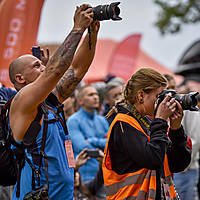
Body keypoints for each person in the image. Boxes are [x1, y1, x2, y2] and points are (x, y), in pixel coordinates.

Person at [8, 4, 100, 200]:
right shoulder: (22, 102)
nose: (43, 67)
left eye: (43, 65)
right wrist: (77, 28)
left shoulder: (50, 100)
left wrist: (91, 32)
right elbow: (55, 72)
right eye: (36, 65)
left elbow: (77, 69)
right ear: (20, 78)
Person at [102, 67, 191, 200]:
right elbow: (153, 159)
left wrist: (176, 129)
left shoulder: (146, 123)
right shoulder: (123, 123)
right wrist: (160, 120)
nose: (162, 101)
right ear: (141, 95)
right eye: (158, 96)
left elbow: (178, 164)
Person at [67, 85, 109, 183]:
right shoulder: (73, 120)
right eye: (90, 95)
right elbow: (81, 147)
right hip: (84, 177)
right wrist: (101, 147)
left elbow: (111, 144)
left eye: (96, 94)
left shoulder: (102, 120)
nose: (95, 97)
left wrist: (91, 140)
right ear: (80, 100)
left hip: (104, 176)